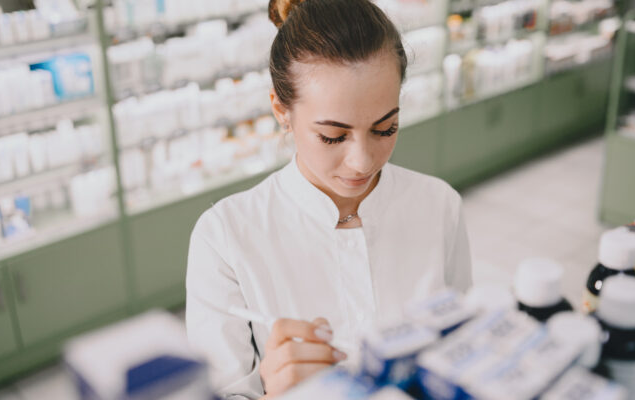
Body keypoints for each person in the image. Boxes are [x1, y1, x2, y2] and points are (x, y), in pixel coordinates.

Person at [185, 0, 472, 398]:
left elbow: (462, 352)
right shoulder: (225, 237)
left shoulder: (439, 206)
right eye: (333, 136)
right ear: (281, 111)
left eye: (385, 128)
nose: (362, 161)